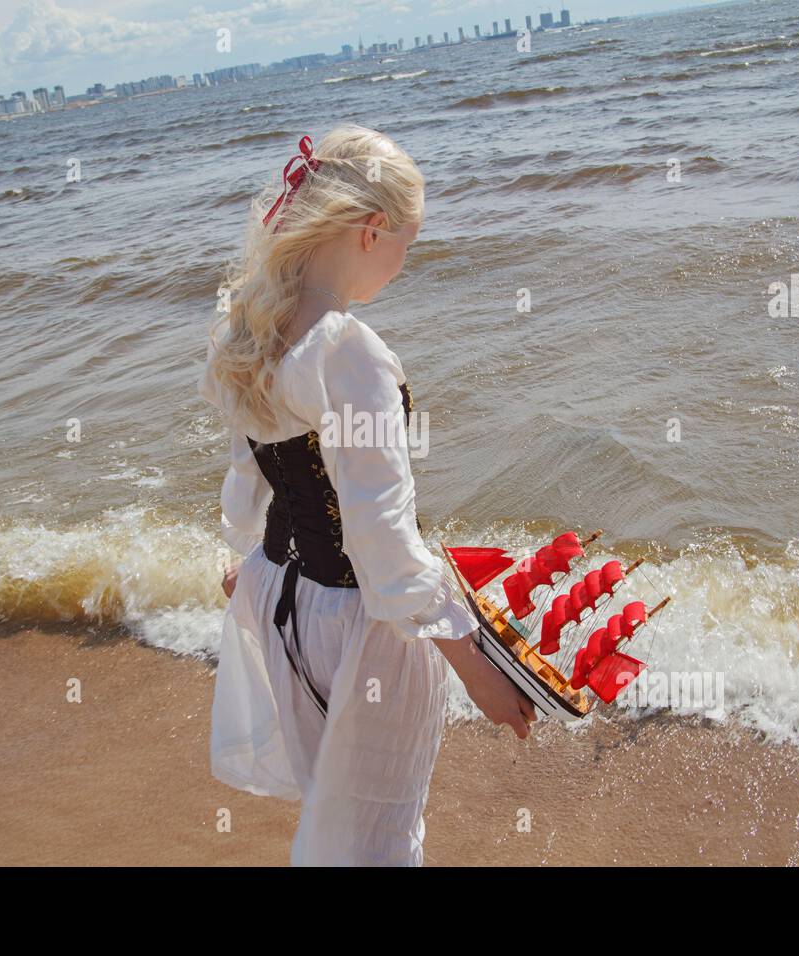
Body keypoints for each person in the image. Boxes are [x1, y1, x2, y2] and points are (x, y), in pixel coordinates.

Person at [198, 124, 535, 866]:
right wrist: (474, 667)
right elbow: (382, 543)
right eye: (405, 245)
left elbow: (246, 475)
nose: (402, 264)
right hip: (364, 628)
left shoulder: (246, 328)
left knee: (339, 828)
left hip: (284, 600)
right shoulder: (348, 350)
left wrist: (253, 561)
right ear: (370, 229)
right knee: (380, 844)